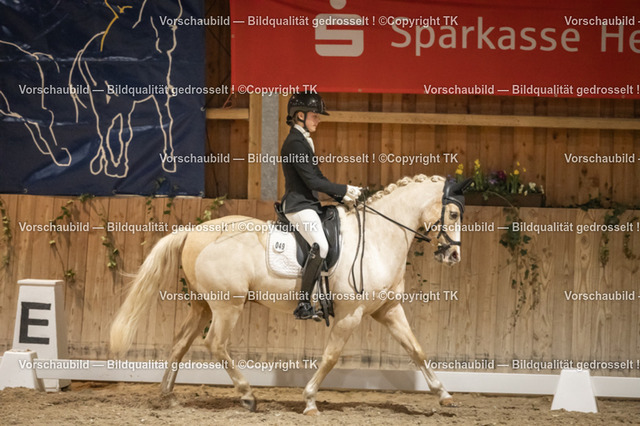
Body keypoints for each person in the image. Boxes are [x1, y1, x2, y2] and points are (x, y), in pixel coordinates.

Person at [280, 93, 361, 320]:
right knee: (321, 246)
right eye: (315, 116)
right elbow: (311, 182)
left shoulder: (304, 140)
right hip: (298, 205)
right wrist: (343, 189)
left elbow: (318, 177)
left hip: (309, 204)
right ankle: (304, 303)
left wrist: (342, 197)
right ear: (300, 115)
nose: (318, 120)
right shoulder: (295, 143)